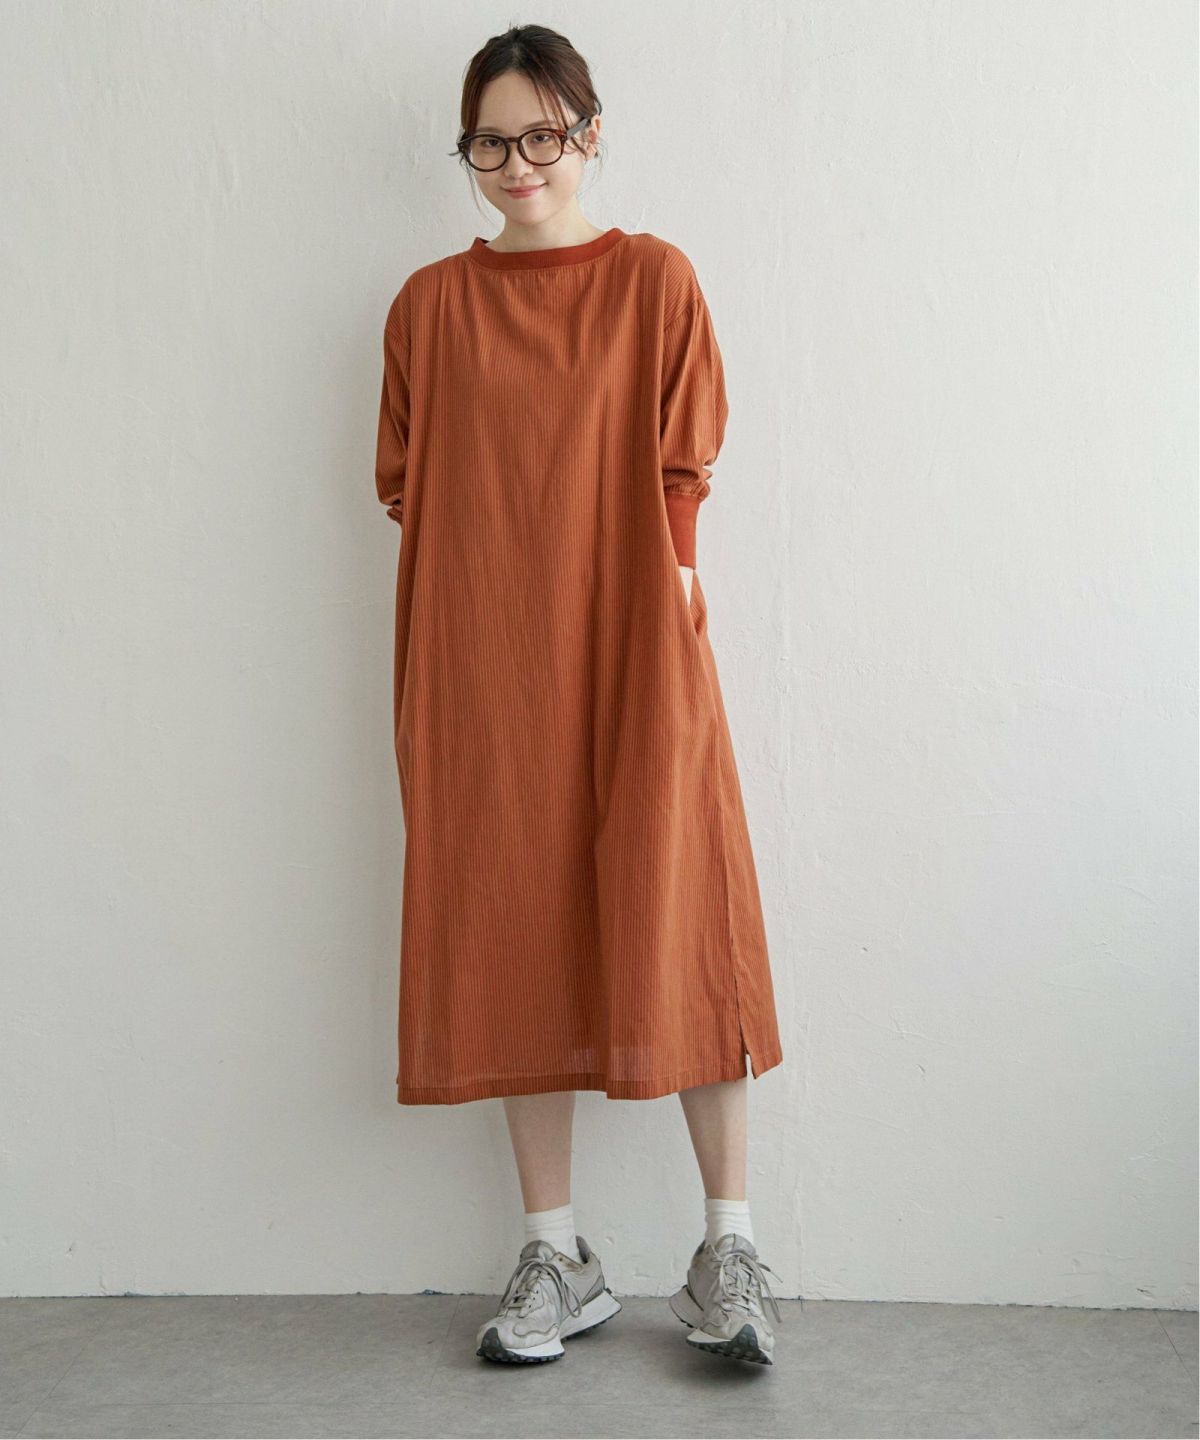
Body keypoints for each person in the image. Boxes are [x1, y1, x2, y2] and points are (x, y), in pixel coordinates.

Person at [374, 23, 785, 1367]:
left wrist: (671, 575)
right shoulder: (430, 307)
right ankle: (557, 1250)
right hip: (488, 658)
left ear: (589, 134)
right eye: (490, 142)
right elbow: (406, 484)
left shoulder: (655, 279)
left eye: (541, 135)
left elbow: (682, 459)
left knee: (684, 905)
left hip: (635, 637)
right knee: (512, 921)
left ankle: (728, 1246)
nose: (518, 165)